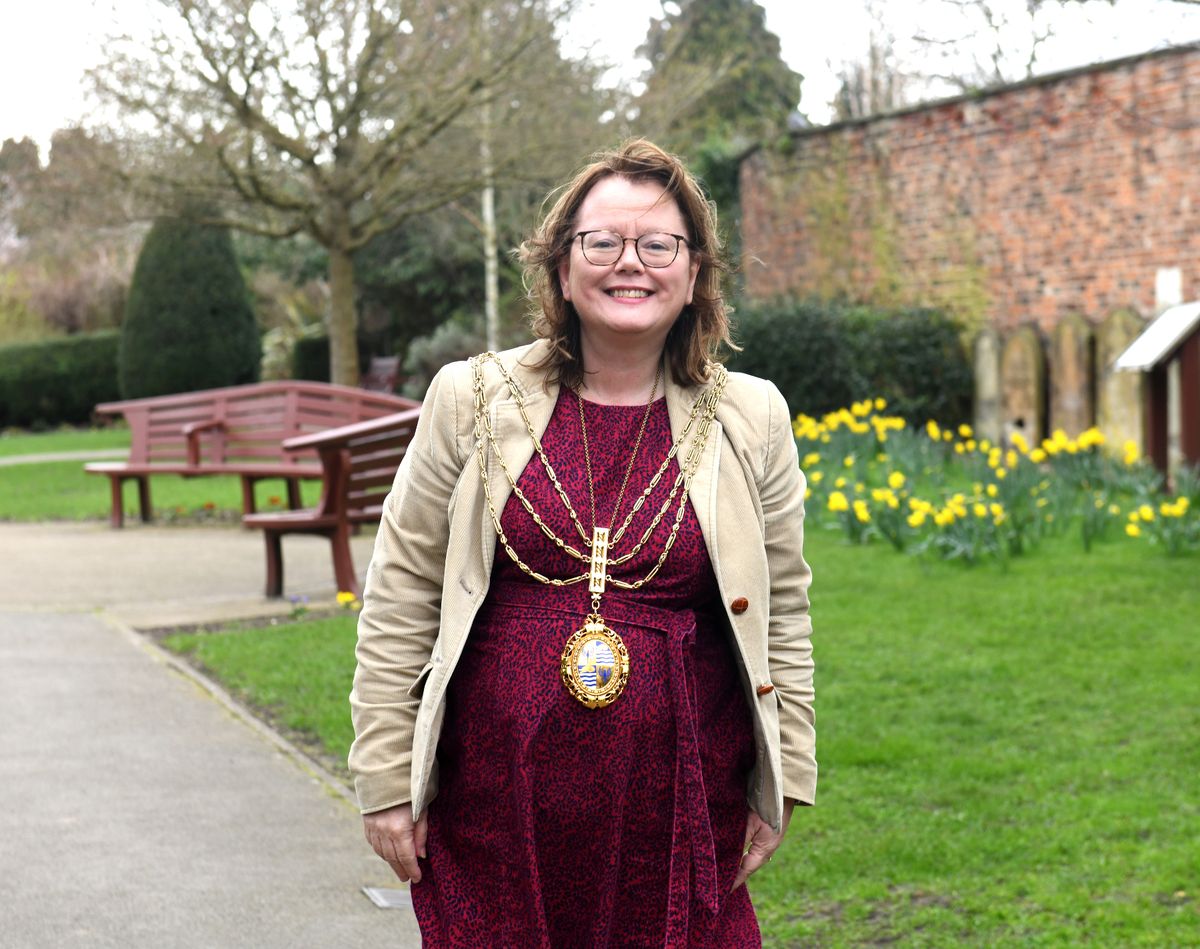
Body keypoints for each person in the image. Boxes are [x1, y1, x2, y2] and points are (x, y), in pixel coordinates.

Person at [349, 139, 815, 947]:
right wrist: (386, 777)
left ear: (694, 271)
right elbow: (400, 593)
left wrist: (785, 776)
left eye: (658, 243)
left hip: (681, 801)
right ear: (562, 267)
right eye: (602, 242)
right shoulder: (470, 398)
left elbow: (786, 612)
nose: (629, 262)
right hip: (493, 805)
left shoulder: (753, 416)